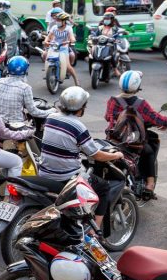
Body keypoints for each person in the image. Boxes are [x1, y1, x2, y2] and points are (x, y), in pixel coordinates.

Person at [39, 86, 124, 226]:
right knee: (103, 187)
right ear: (81, 107)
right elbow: (97, 156)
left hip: (44, 172)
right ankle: (94, 231)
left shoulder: (50, 118)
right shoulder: (78, 127)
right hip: (66, 178)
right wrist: (116, 155)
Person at [104, 71, 167, 198]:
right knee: (149, 151)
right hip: (133, 144)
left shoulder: (112, 101)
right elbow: (155, 118)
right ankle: (150, 185)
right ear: (137, 85)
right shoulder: (141, 103)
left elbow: (108, 117)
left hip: (113, 140)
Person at [0, 56, 55, 123]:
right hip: (16, 126)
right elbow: (33, 112)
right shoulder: (25, 88)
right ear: (25, 70)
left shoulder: (0, 82)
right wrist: (51, 111)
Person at [44, 11, 78, 85]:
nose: (57, 22)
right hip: (54, 46)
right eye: (57, 20)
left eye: (59, 20)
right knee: (45, 56)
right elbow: (49, 36)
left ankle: (76, 80)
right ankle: (49, 73)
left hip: (63, 47)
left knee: (68, 66)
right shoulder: (54, 27)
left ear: (64, 21)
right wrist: (46, 41)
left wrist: (71, 40)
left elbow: (72, 37)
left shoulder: (68, 28)